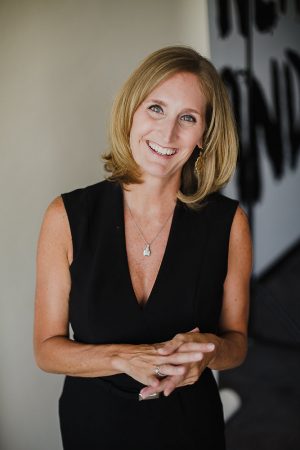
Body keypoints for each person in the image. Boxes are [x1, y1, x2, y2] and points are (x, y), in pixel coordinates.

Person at [34, 46, 252, 450]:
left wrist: (210, 352)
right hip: (93, 428)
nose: (167, 134)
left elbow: (236, 345)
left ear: (204, 136)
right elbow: (47, 351)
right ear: (132, 111)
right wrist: (123, 358)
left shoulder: (230, 223)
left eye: (187, 118)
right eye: (156, 109)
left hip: (191, 430)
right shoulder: (65, 216)